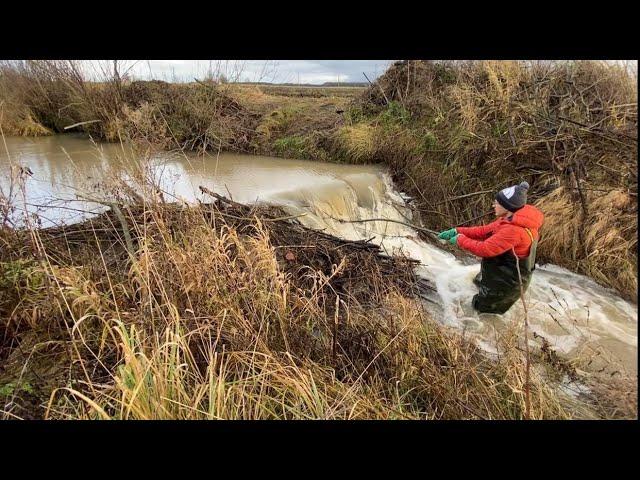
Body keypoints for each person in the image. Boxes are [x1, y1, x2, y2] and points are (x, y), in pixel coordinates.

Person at [437, 181, 544, 314]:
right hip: (497, 272)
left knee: (482, 312)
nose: (493, 205)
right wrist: (457, 230)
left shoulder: (514, 230)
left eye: (496, 203)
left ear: (508, 207)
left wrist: (460, 239)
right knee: (477, 284)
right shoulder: (510, 219)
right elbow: (484, 231)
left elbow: (485, 249)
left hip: (506, 284)